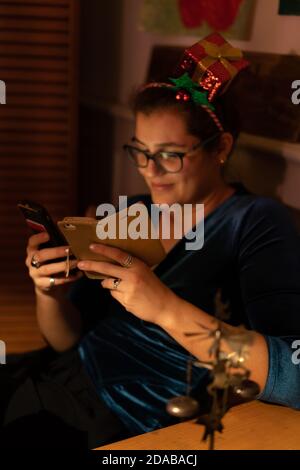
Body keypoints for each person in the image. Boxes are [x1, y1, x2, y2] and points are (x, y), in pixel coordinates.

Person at [1, 33, 300, 449]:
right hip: (62, 374)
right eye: (140, 151)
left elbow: (291, 372)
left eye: (170, 155)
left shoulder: (255, 221)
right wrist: (50, 293)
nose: (150, 171)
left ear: (222, 149)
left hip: (126, 417)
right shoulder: (136, 212)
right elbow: (66, 340)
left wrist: (163, 308)